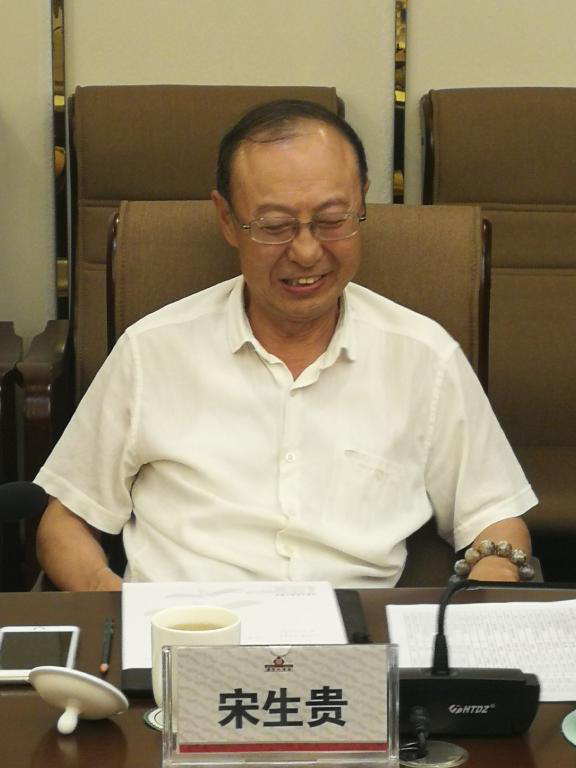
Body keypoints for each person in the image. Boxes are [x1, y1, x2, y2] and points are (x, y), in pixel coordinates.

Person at [35, 100, 537, 591]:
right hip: (184, 625)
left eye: (333, 219)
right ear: (227, 219)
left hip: (353, 629)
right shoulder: (151, 351)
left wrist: (488, 584)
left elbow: (494, 516)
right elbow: (65, 521)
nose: (306, 251)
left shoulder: (424, 356)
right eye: (274, 226)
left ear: (362, 202)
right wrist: (118, 609)